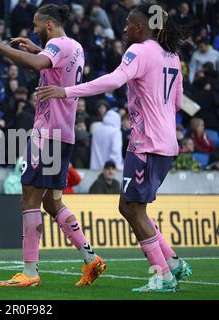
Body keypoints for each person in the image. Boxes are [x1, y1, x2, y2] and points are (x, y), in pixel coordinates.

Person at [36, 3, 193, 292]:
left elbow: (114, 80)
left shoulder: (139, 51)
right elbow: (179, 103)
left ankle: (163, 276)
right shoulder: (172, 57)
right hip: (168, 143)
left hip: (146, 143)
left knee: (131, 209)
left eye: (128, 24)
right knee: (135, 209)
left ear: (140, 27)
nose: (124, 29)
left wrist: (67, 91)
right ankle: (172, 263)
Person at [0, 3, 106, 287]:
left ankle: (30, 272)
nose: (34, 31)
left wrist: (0, 47)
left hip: (47, 134)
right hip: (64, 133)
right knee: (51, 200)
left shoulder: (57, 45)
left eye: (37, 26)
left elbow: (38, 64)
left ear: (48, 24)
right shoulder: (75, 46)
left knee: (29, 199)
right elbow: (52, 64)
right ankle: (91, 258)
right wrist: (36, 49)